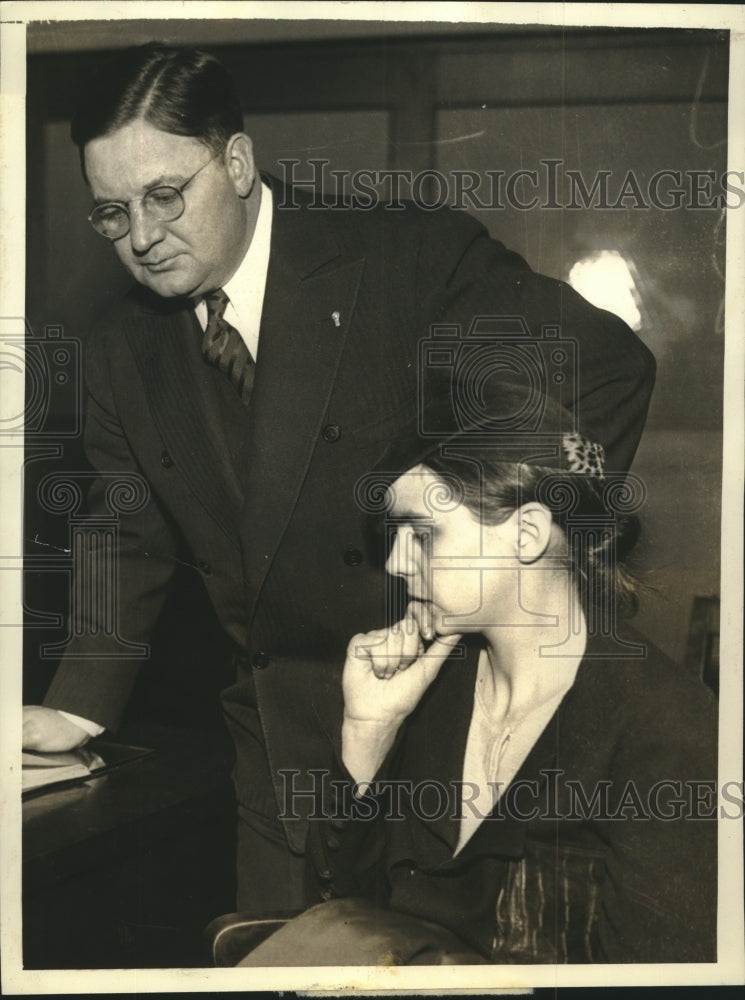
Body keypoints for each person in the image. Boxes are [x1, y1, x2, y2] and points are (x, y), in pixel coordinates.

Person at [22, 43, 656, 916]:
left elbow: (607, 367)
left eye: (165, 196)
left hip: (440, 731)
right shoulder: (119, 348)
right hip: (278, 756)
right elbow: (126, 524)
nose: (140, 236)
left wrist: (518, 548)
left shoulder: (402, 261)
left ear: (237, 163)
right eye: (110, 213)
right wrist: (78, 706)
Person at [263, 383, 716, 966]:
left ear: (527, 533)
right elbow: (345, 924)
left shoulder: (669, 733)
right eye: (393, 536)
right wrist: (367, 732)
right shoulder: (431, 689)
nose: (397, 562)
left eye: (421, 534)